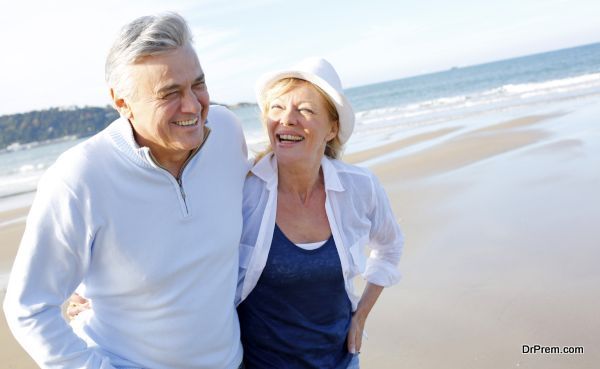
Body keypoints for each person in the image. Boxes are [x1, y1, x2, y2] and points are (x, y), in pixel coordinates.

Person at [3, 12, 248, 369]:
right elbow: (28, 308)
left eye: (198, 84)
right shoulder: (80, 177)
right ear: (122, 103)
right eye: (170, 93)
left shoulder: (227, 130)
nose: (193, 106)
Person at [235, 58, 404, 368]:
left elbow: (390, 247)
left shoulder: (359, 187)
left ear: (332, 129)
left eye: (306, 110)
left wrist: (361, 315)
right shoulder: (242, 190)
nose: (287, 119)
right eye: (277, 108)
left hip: (342, 362)